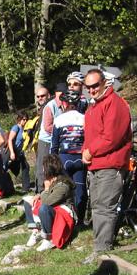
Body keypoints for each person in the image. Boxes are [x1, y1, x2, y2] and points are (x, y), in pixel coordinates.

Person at [81, 69, 132, 261]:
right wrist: (85, 152)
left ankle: (102, 249)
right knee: (97, 206)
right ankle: (100, 245)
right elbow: (90, 135)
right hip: (96, 164)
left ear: (105, 83)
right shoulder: (94, 106)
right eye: (88, 87)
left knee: (104, 206)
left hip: (111, 164)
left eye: (95, 85)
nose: (92, 90)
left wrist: (91, 151)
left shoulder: (114, 103)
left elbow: (112, 137)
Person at [24, 155, 75, 252]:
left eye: (44, 166)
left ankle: (49, 238)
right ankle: (36, 231)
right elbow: (47, 198)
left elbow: (47, 202)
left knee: (44, 208)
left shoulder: (63, 185)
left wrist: (46, 189)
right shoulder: (52, 179)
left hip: (64, 213)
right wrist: (38, 195)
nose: (42, 169)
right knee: (29, 201)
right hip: (54, 207)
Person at [50, 90, 87, 224]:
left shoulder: (59, 119)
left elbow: (54, 145)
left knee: (65, 192)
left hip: (64, 158)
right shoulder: (84, 118)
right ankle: (81, 221)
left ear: (64, 103)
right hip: (80, 158)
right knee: (81, 191)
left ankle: (68, 221)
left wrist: (52, 163)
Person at [36, 82, 67, 192]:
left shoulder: (66, 104)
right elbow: (48, 127)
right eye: (60, 93)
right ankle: (40, 191)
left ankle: (54, 190)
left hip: (58, 140)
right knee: (43, 166)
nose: (63, 96)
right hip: (46, 141)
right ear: (55, 94)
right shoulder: (50, 106)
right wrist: (62, 132)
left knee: (55, 166)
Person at [6, 112, 31, 193]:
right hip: (12, 150)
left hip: (19, 152)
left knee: (25, 166)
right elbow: (10, 140)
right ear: (19, 119)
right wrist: (12, 152)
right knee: (5, 167)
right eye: (24, 119)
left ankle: (25, 188)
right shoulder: (16, 127)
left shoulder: (25, 129)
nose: (25, 121)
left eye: (27, 119)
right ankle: (2, 187)